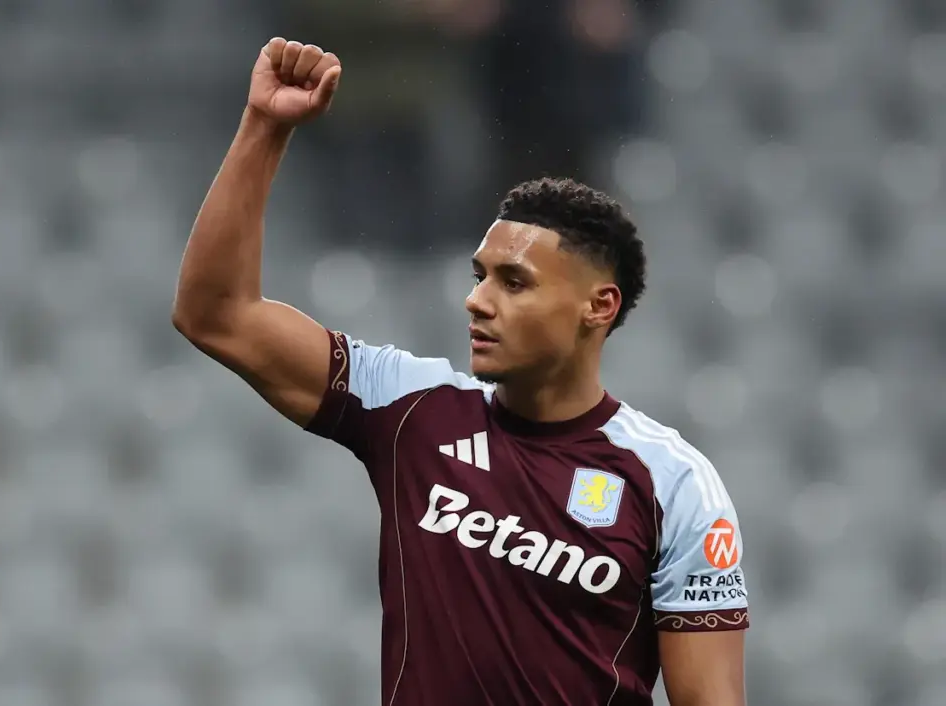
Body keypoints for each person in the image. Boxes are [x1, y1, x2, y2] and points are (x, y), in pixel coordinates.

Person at [173, 38, 750, 706]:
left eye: (514, 282)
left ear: (599, 306)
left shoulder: (674, 485)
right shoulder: (410, 405)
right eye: (479, 277)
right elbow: (215, 313)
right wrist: (265, 126)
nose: (477, 299)